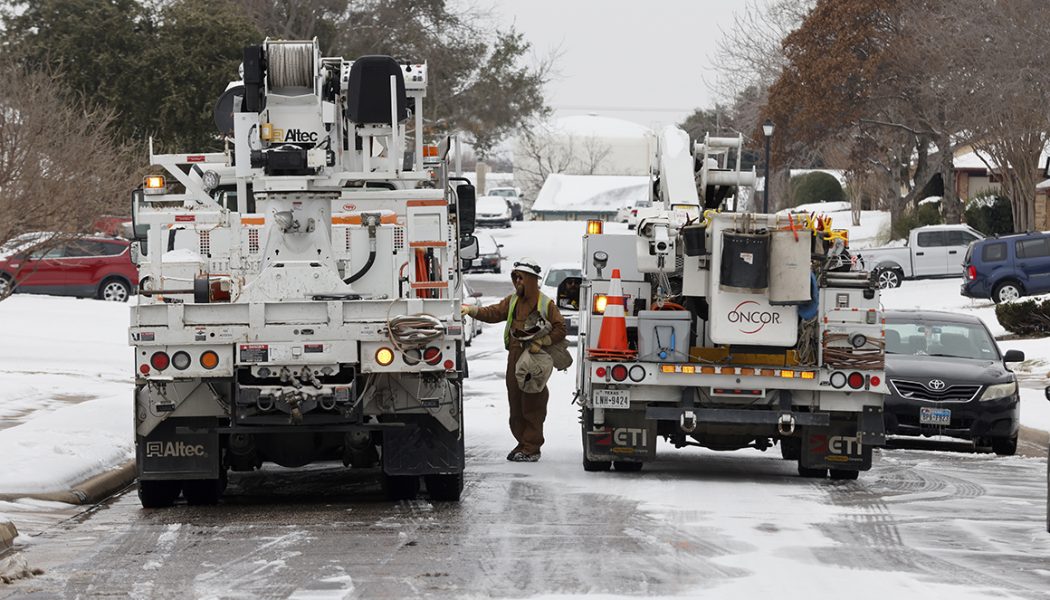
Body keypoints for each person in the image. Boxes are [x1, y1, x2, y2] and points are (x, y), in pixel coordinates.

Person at [462, 257, 566, 462]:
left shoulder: (545, 303)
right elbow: (494, 313)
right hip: (515, 356)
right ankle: (522, 443)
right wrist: (472, 310)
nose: (518, 282)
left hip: (535, 358)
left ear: (531, 280)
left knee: (532, 402)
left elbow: (560, 328)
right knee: (516, 401)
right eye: (515, 278)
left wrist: (543, 341)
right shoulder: (513, 301)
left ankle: (532, 447)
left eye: (521, 278)